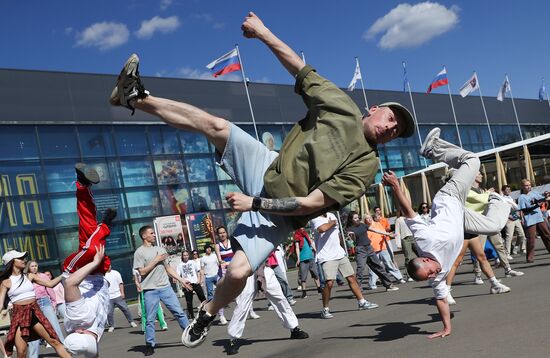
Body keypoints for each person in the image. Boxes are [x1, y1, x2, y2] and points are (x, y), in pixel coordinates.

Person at [109, 12, 414, 348]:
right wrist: (263, 31)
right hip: (268, 166)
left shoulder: (366, 165)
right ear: (374, 109)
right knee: (218, 126)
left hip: (280, 215)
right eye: (390, 118)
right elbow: (299, 67)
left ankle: (208, 312)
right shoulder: (340, 104)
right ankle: (134, 97)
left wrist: (256, 203)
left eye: (396, 130)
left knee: (238, 272)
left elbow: (314, 203)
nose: (390, 128)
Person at [387, 127, 510, 338]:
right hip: (460, 218)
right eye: (431, 276)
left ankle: (432, 149)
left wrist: (396, 187)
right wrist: (446, 328)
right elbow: (441, 300)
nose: (436, 274)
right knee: (494, 226)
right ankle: (496, 199)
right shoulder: (436, 277)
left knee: (473, 160)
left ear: (425, 261)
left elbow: (408, 212)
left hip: (448, 198)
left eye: (431, 272)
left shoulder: (425, 240)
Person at [226, 254, 308, 355]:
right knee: (242, 305)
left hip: (265, 269)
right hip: (248, 271)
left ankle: (294, 328)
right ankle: (233, 339)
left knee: (280, 299)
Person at [133, 225, 192, 356]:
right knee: (150, 319)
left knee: (179, 313)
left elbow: (169, 268)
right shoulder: (139, 252)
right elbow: (141, 271)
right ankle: (150, 345)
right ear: (144, 236)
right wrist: (156, 260)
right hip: (150, 290)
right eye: (151, 233)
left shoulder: (160, 249)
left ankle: (190, 335)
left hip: (165, 288)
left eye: (154, 233)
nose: (154, 235)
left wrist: (182, 280)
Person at [0, 251, 70, 357]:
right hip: (19, 317)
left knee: (55, 342)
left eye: (24, 258)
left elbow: (50, 284)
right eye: (20, 258)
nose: (24, 260)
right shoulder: (6, 282)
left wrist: (64, 274)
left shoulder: (30, 276)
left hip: (35, 314)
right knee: (22, 351)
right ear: (12, 262)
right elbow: (0, 305)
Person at [312, 212, 379, 319]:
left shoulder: (332, 215)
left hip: (339, 253)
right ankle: (325, 309)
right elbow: (321, 229)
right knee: (329, 283)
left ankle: (361, 302)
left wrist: (344, 247)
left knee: (351, 277)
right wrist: (332, 223)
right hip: (326, 256)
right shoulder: (315, 219)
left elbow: (338, 234)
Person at [468, 172, 523, 282]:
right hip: (479, 224)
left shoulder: (482, 189)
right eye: (479, 174)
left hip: (489, 220)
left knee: (499, 245)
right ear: (473, 176)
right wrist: (488, 193)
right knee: (479, 250)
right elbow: (478, 200)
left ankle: (508, 269)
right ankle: (478, 275)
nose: (481, 176)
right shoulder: (469, 190)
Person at [63, 163, 117, 276]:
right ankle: (83, 184)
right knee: (88, 221)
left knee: (88, 221)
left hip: (88, 267)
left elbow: (67, 270)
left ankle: (82, 184)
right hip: (94, 266)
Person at [62, 244, 111, 357]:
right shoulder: (80, 321)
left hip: (89, 272)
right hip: (94, 276)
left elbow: (69, 283)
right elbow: (70, 283)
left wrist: (95, 263)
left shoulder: (81, 318)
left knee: (92, 239)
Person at [345, 211, 399, 291]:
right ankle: (358, 289)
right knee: (360, 269)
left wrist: (388, 234)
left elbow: (375, 230)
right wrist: (351, 236)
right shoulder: (349, 229)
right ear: (351, 219)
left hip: (369, 248)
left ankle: (389, 285)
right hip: (360, 250)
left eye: (358, 217)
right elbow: (350, 237)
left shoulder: (363, 225)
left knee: (379, 267)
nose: (357, 219)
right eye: (355, 218)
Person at [26, 261, 65, 358]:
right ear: (28, 267)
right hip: (33, 304)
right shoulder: (26, 278)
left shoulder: (43, 276)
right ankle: (33, 356)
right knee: (34, 330)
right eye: (32, 266)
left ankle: (64, 349)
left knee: (54, 326)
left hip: (45, 302)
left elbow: (50, 289)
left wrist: (53, 302)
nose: (34, 268)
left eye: (36, 266)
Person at [365, 214, 405, 288]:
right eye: (367, 218)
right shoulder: (365, 228)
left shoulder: (378, 224)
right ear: (365, 220)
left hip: (382, 247)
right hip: (372, 250)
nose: (369, 219)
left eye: (370, 218)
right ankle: (372, 284)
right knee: (373, 268)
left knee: (389, 264)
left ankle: (399, 278)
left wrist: (389, 237)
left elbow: (384, 233)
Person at [518, 179, 550, 263]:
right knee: (531, 239)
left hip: (539, 217)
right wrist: (536, 206)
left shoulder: (534, 193)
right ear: (522, 187)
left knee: (547, 235)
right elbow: (524, 210)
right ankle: (529, 257)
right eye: (526, 185)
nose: (529, 187)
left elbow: (542, 197)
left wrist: (545, 194)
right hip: (530, 219)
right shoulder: (521, 197)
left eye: (529, 185)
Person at [105, 265, 137, 332]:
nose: (109, 267)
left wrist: (122, 293)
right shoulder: (103, 275)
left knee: (125, 309)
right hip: (108, 298)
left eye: (110, 265)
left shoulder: (116, 273)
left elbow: (120, 283)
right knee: (109, 313)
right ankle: (111, 326)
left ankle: (131, 322)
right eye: (107, 266)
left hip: (118, 295)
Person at [176, 250, 206, 320]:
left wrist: (199, 279)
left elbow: (198, 271)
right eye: (184, 255)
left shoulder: (192, 262)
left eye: (186, 255)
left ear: (188, 256)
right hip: (187, 284)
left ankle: (206, 311)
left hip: (195, 282)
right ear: (182, 257)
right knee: (189, 301)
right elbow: (178, 276)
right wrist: (183, 284)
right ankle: (191, 316)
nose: (185, 257)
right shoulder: (180, 265)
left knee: (202, 298)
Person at [294, 228, 322, 298]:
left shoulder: (306, 234)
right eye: (301, 228)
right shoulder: (297, 236)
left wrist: (316, 250)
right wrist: (298, 259)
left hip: (310, 257)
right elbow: (297, 247)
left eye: (303, 228)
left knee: (315, 274)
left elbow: (311, 243)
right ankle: (304, 293)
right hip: (303, 259)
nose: (302, 229)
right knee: (303, 277)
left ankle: (319, 289)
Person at [214, 226, 233, 324]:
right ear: (218, 235)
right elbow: (219, 259)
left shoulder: (232, 242)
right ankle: (221, 316)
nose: (222, 234)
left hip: (234, 269)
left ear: (226, 233)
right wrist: (222, 262)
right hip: (223, 272)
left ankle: (250, 311)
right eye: (220, 233)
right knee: (220, 294)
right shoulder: (217, 246)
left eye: (224, 232)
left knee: (241, 292)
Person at [500, 185, 526, 256]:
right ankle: (507, 253)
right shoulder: (502, 199)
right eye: (506, 190)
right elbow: (502, 210)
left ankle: (519, 248)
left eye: (509, 189)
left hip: (516, 218)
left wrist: (518, 214)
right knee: (509, 236)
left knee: (522, 235)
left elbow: (516, 208)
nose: (508, 191)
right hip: (509, 219)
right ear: (503, 191)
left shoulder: (511, 198)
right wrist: (508, 216)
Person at [394, 214, 417, 281]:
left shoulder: (412, 216)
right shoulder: (399, 220)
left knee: (421, 254)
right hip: (405, 238)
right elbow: (397, 231)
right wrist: (398, 243)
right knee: (408, 257)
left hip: (415, 237)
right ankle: (409, 275)